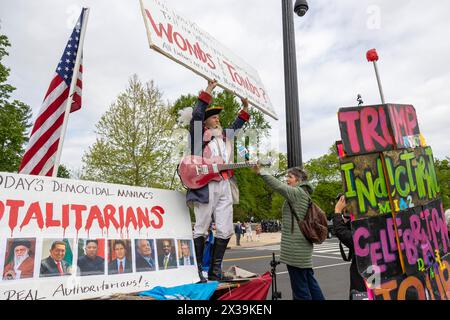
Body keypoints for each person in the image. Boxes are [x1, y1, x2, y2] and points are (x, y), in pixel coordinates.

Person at [186, 79, 250, 282]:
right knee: (202, 226)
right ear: (205, 123)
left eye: (217, 118)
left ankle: (214, 271)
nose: (217, 120)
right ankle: (196, 271)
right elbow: (197, 114)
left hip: (225, 184)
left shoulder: (224, 137)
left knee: (225, 228)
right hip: (206, 185)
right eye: (213, 118)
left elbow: (237, 125)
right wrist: (209, 90)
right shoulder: (199, 135)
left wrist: (245, 107)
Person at [253, 165, 325, 300]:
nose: (287, 180)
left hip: (295, 250)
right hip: (302, 249)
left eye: (290, 177)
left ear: (299, 180)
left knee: (300, 291)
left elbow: (278, 186)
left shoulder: (297, 193)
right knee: (310, 283)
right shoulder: (304, 194)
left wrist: (261, 172)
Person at [333, 194, 367, 299]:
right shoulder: (373, 222)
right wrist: (347, 220)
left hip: (364, 274)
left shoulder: (364, 231)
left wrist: (337, 211)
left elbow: (342, 233)